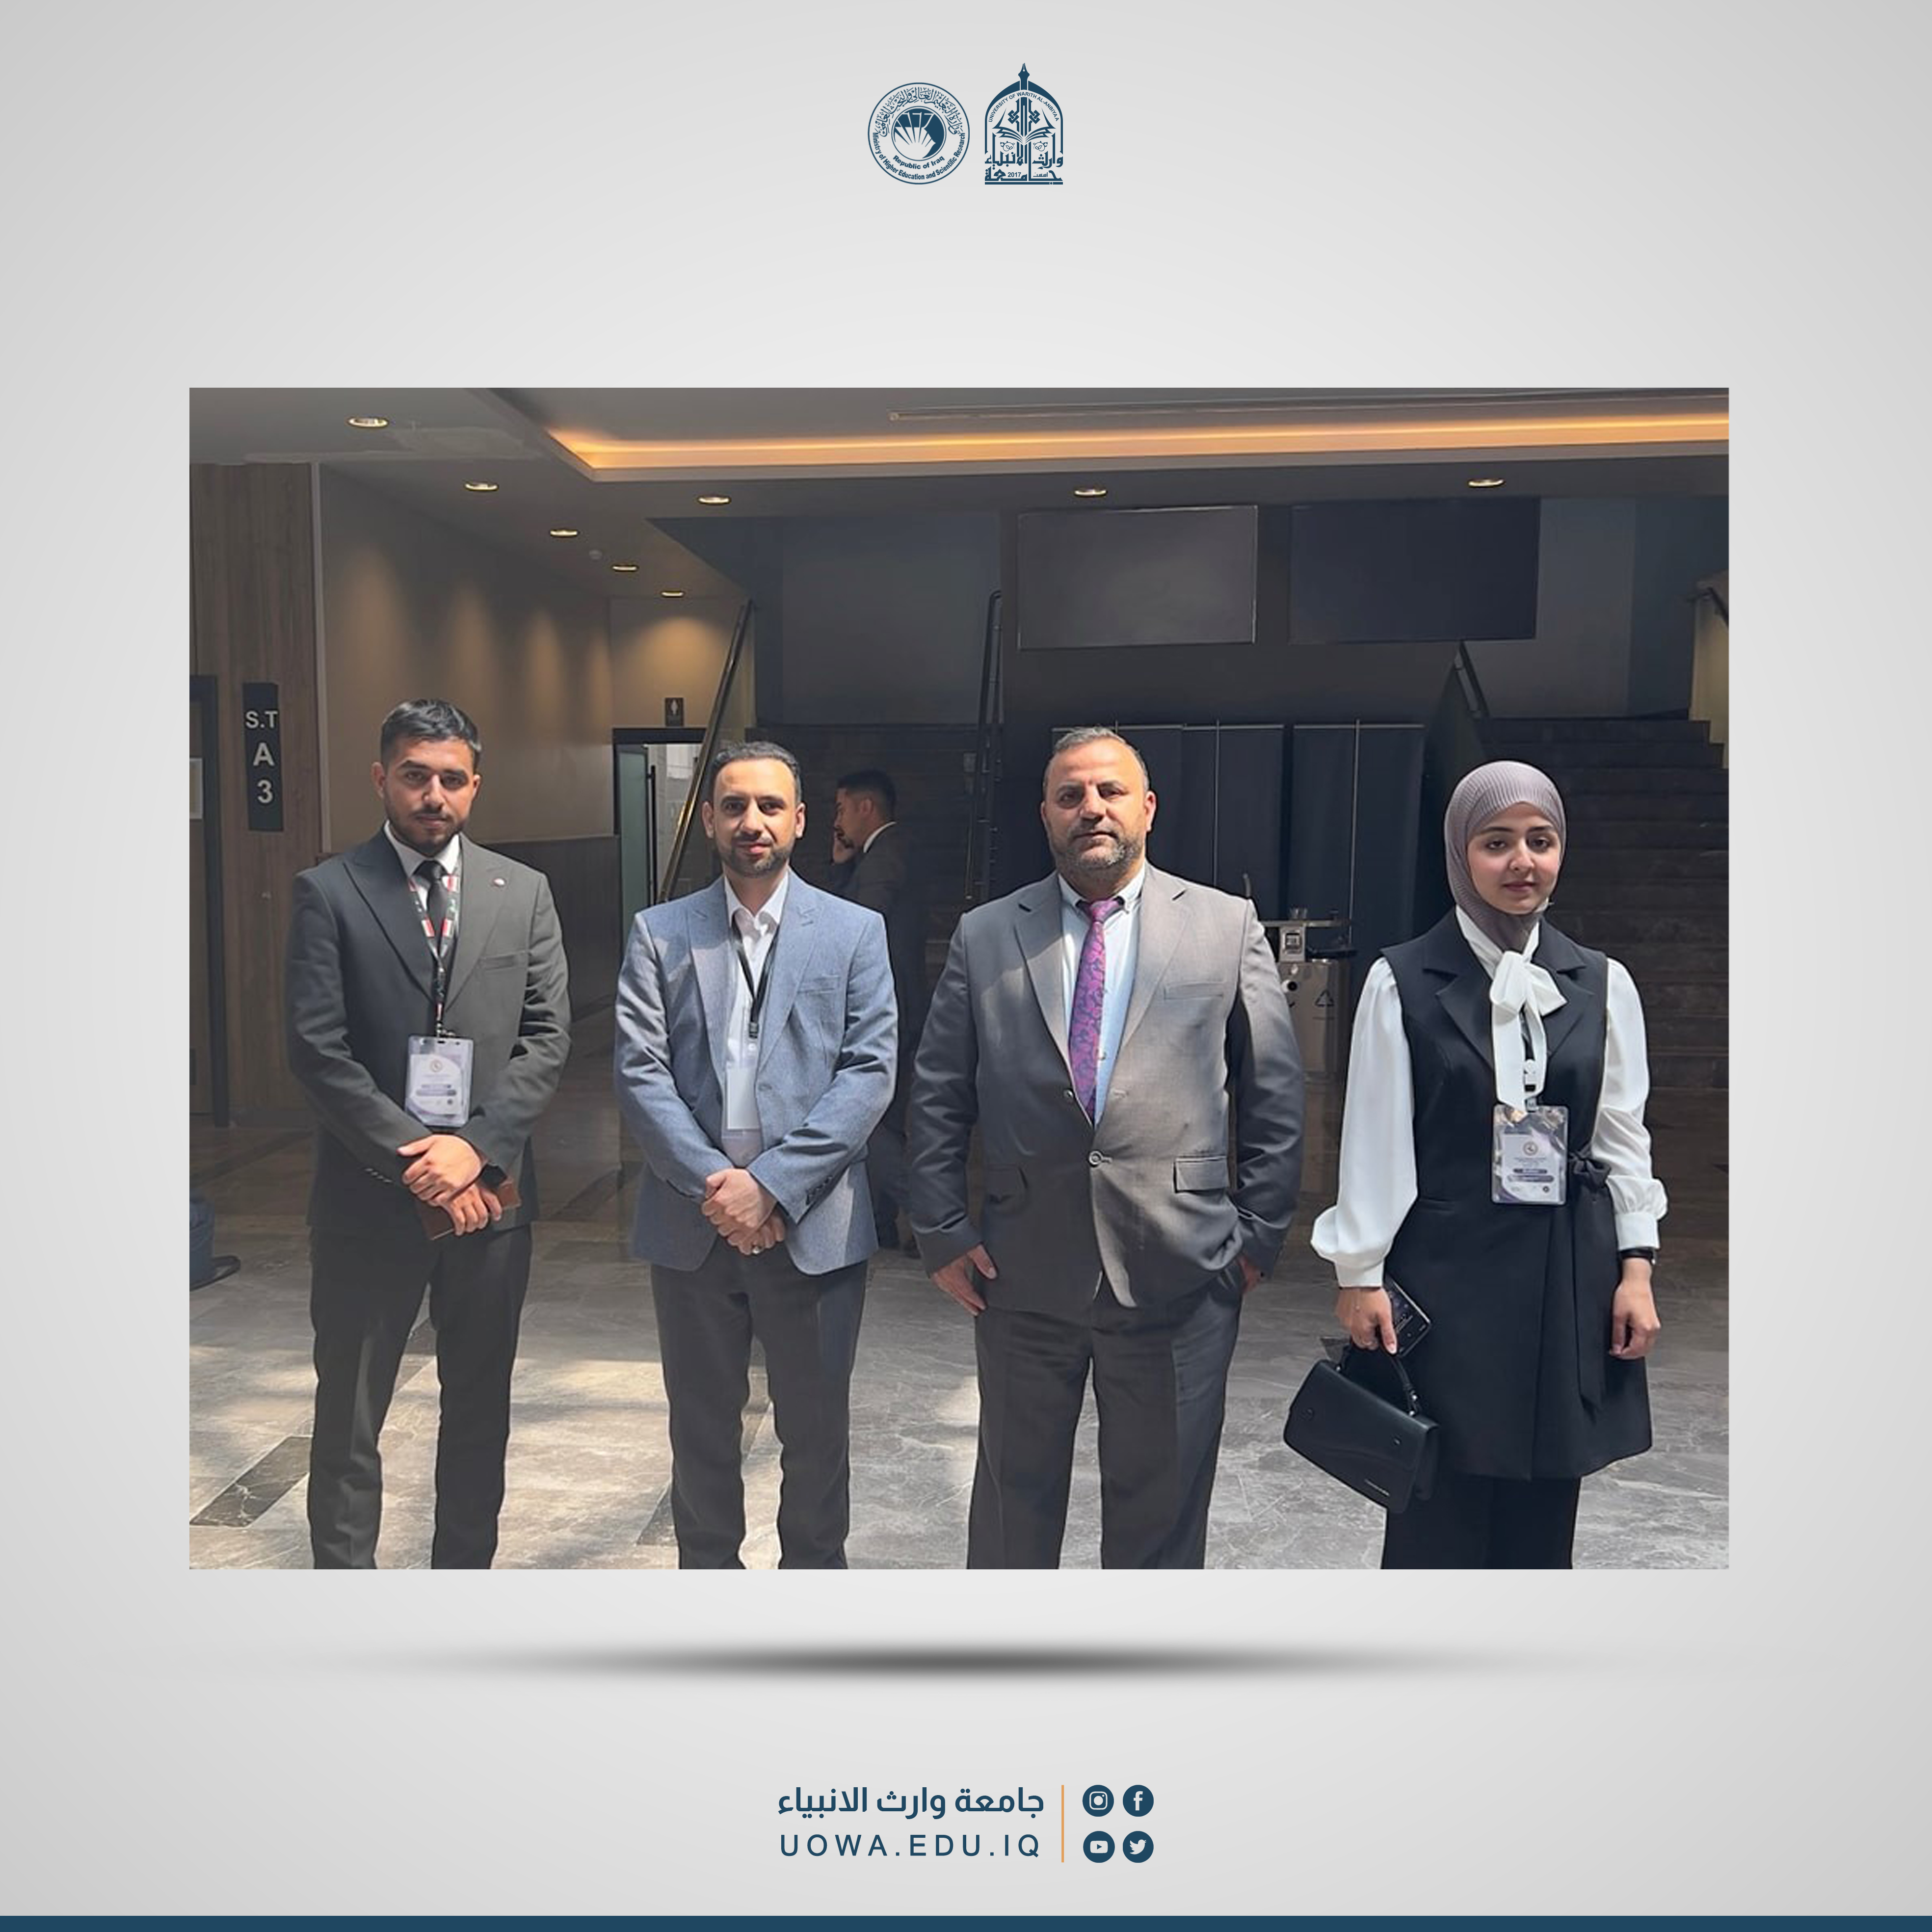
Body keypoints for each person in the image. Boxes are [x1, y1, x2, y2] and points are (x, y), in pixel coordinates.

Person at [906, 727, 1304, 1568]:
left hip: (1181, 1273)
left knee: (1160, 1520)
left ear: (1147, 808)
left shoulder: (1224, 926)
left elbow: (1272, 1087)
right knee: (1011, 1517)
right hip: (1020, 1273)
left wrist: (1259, 1233)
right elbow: (938, 1090)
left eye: (1110, 791)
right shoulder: (987, 934)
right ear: (1045, 815)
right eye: (1070, 795)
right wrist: (940, 1228)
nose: (1091, 808)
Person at [1310, 759, 1665, 1568]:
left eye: (1540, 840)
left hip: (1564, 1281)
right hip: (1445, 1282)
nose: (1521, 861)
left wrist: (1635, 1267)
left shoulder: (1601, 982)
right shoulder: (1402, 981)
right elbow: (1374, 1140)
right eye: (1496, 842)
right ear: (1459, 854)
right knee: (1439, 1512)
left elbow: (1620, 1135)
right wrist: (1359, 1273)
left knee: (1543, 1515)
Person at [285, 698, 571, 1568]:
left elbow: (547, 1037)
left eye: (451, 778)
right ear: (382, 778)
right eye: (415, 775)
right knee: (349, 1415)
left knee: (479, 1409)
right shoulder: (330, 892)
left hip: (490, 1201)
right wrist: (421, 1158)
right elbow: (317, 1048)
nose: (433, 795)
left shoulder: (523, 892)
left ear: (476, 785)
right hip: (367, 1201)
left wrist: (474, 1150)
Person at [614, 741, 897, 1568]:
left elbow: (869, 1073)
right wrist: (721, 1189)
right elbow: (640, 1071)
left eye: (770, 806)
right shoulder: (660, 933)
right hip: (693, 1226)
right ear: (708, 819)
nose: (752, 821)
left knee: (816, 1436)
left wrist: (770, 1186)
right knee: (701, 1433)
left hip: (815, 1226)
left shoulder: (854, 932)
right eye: (734, 805)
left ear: (800, 821)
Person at [829, 768, 930, 1250]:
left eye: (842, 809)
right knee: (882, 1118)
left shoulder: (887, 854)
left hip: (884, 1007)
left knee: (864, 1119)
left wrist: (842, 873)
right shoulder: (884, 853)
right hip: (897, 1004)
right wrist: (842, 866)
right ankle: (881, 1223)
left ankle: (927, 1212)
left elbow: (856, 924)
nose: (838, 821)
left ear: (865, 807)